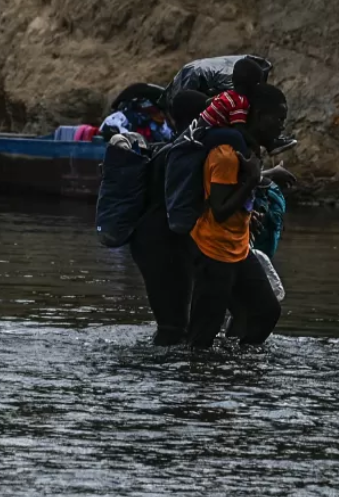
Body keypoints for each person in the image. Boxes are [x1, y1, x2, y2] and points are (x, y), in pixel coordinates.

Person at [187, 83, 289, 348]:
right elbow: (220, 211)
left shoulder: (247, 151)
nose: (281, 127)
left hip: (237, 250)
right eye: (277, 119)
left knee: (267, 312)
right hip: (212, 251)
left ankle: (239, 368)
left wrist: (250, 211)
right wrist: (251, 181)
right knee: (202, 337)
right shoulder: (226, 155)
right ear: (257, 116)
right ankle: (198, 379)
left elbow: (234, 204)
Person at [127, 90, 210, 345]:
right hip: (165, 241)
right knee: (174, 326)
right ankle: (165, 375)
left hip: (146, 239)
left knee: (171, 323)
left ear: (172, 119)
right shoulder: (187, 152)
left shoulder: (166, 150)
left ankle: (159, 371)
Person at [187, 57, 297, 155]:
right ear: (253, 84)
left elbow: (208, 103)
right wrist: (254, 146)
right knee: (237, 137)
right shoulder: (239, 102)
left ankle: (271, 145)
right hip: (205, 133)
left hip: (200, 130)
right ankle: (248, 158)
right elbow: (238, 128)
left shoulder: (227, 94)